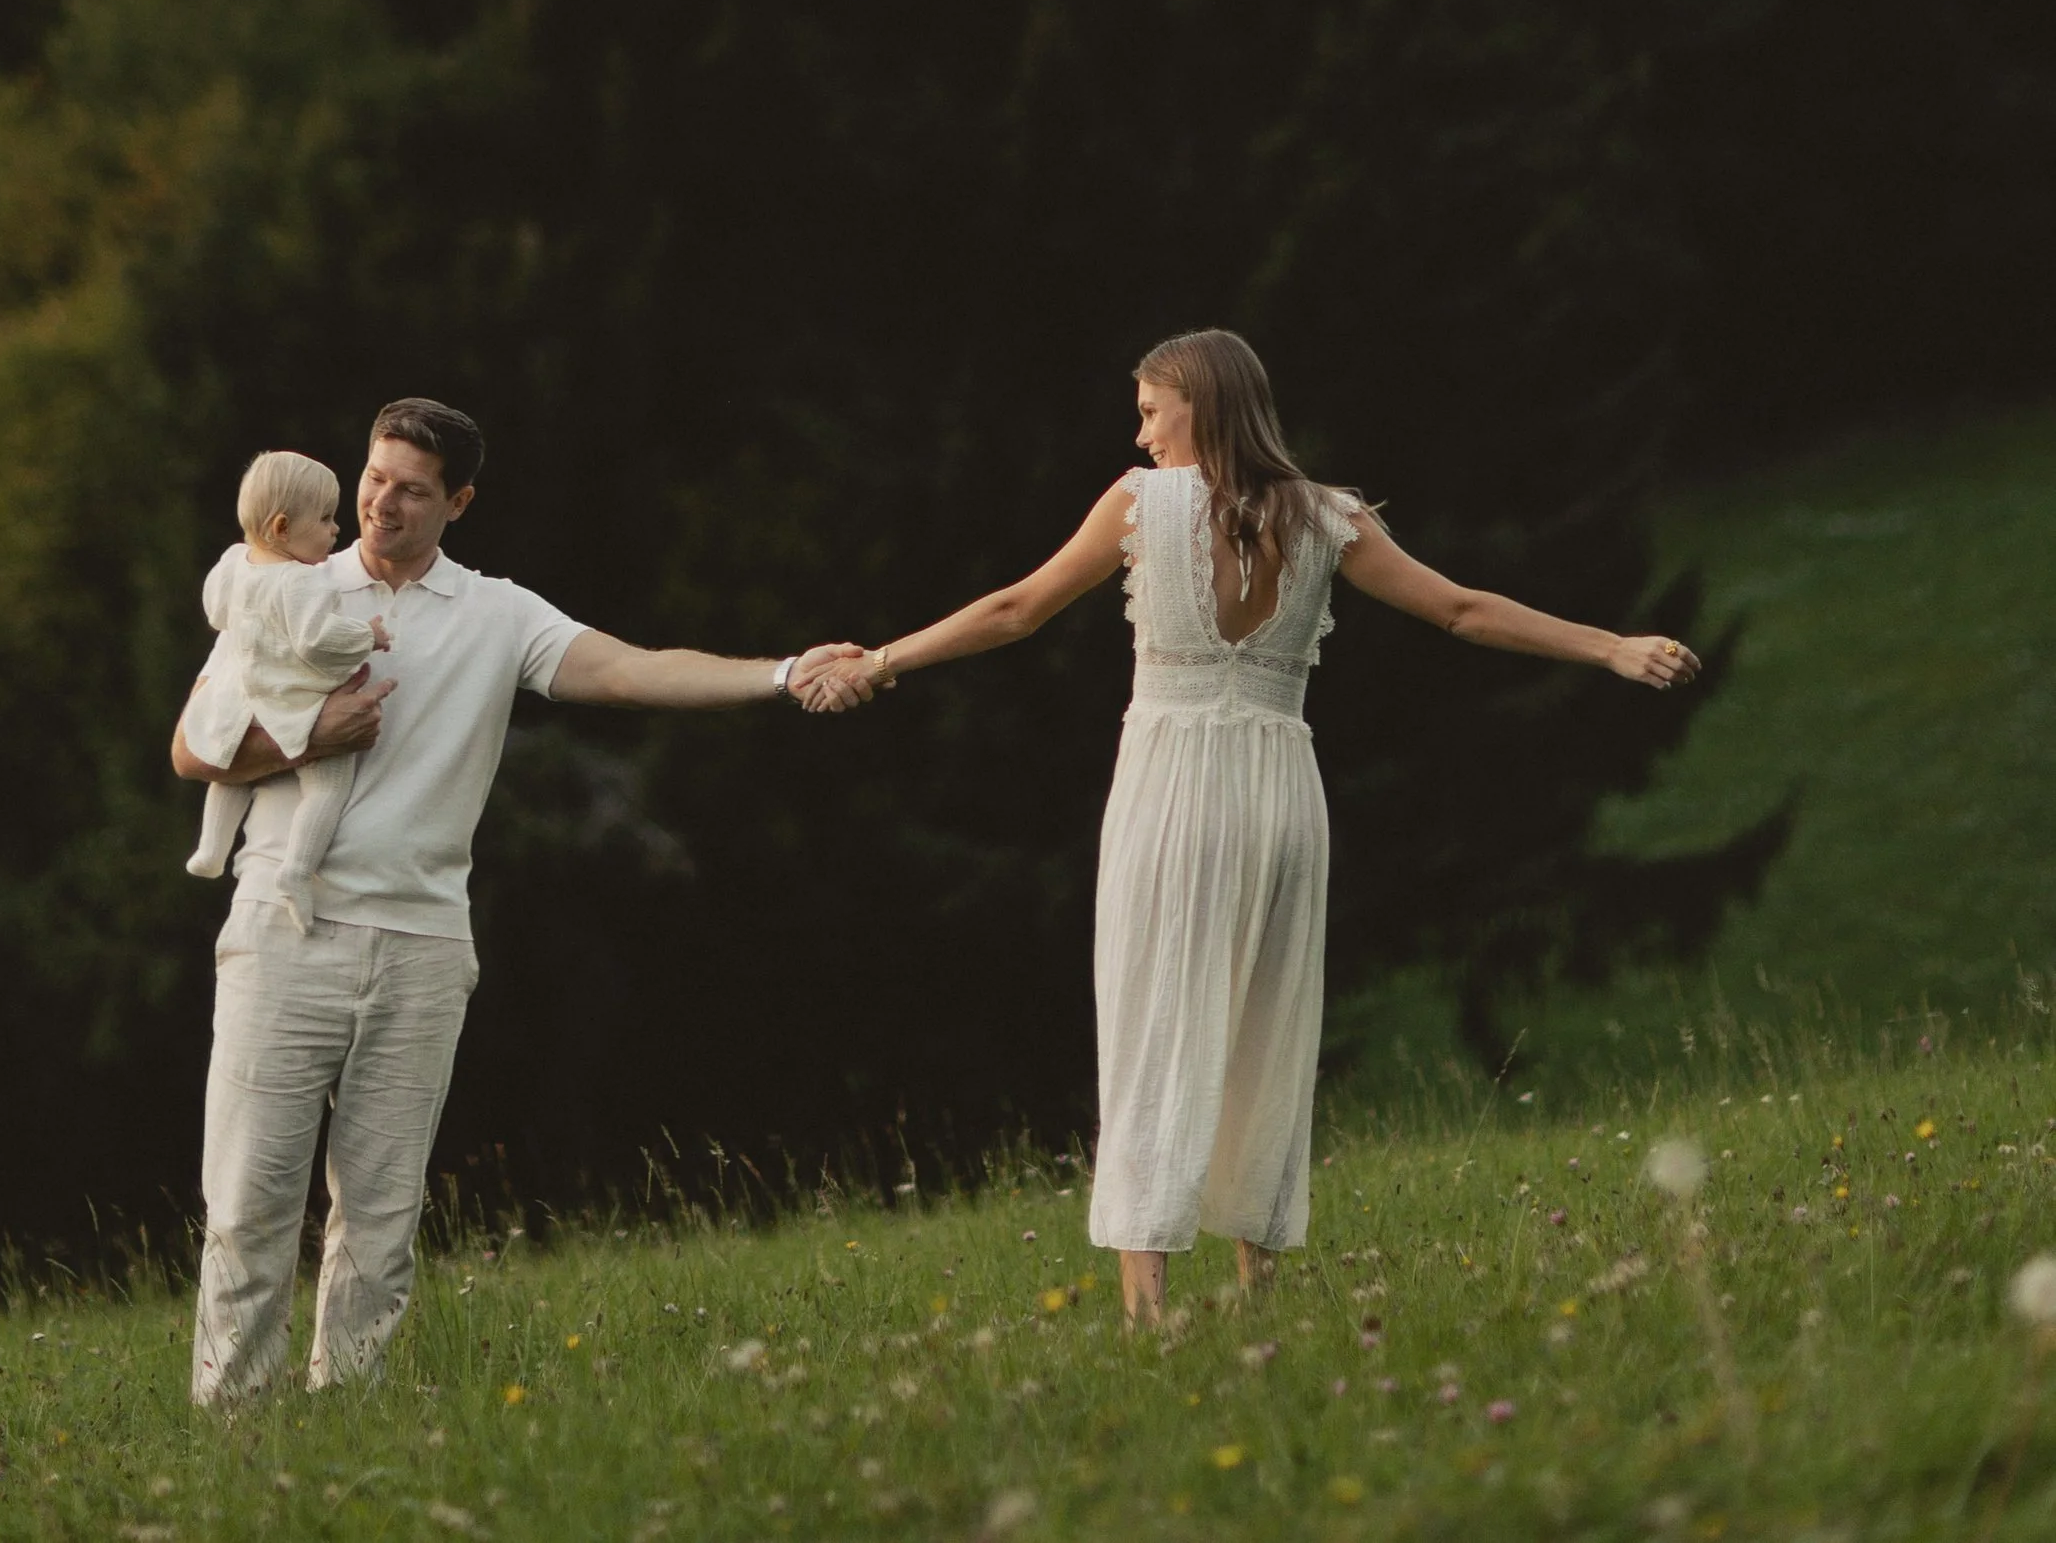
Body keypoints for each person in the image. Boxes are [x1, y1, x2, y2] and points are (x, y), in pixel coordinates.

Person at [797, 327, 1698, 1326]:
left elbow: (1016, 609)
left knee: (1154, 1026)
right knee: (1269, 1026)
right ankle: (1257, 1296)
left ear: (1199, 405)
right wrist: (1611, 646)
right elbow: (1461, 609)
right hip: (1280, 789)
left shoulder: (1140, 505)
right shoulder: (1328, 518)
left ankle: (1148, 1312)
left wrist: (876, 662)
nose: (1139, 437)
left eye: (1151, 411)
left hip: (1173, 784)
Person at [171, 392, 865, 1406]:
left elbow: (632, 673)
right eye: (371, 481)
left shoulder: (499, 615)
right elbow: (193, 747)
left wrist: (784, 672)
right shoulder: (282, 585)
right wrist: (309, 738)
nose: (381, 506)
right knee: (246, 1204)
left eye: (411, 491)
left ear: (458, 502)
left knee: (380, 1216)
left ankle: (345, 1425)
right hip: (284, 932)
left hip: (419, 947)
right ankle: (233, 1440)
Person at [184, 450, 388, 926]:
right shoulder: (302, 582)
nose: (336, 529)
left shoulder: (234, 562)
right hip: (293, 700)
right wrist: (367, 636)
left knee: (229, 762)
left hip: (242, 696)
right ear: (281, 528)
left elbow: (216, 613)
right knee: (329, 787)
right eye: (324, 519)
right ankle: (296, 869)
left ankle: (212, 848)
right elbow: (317, 640)